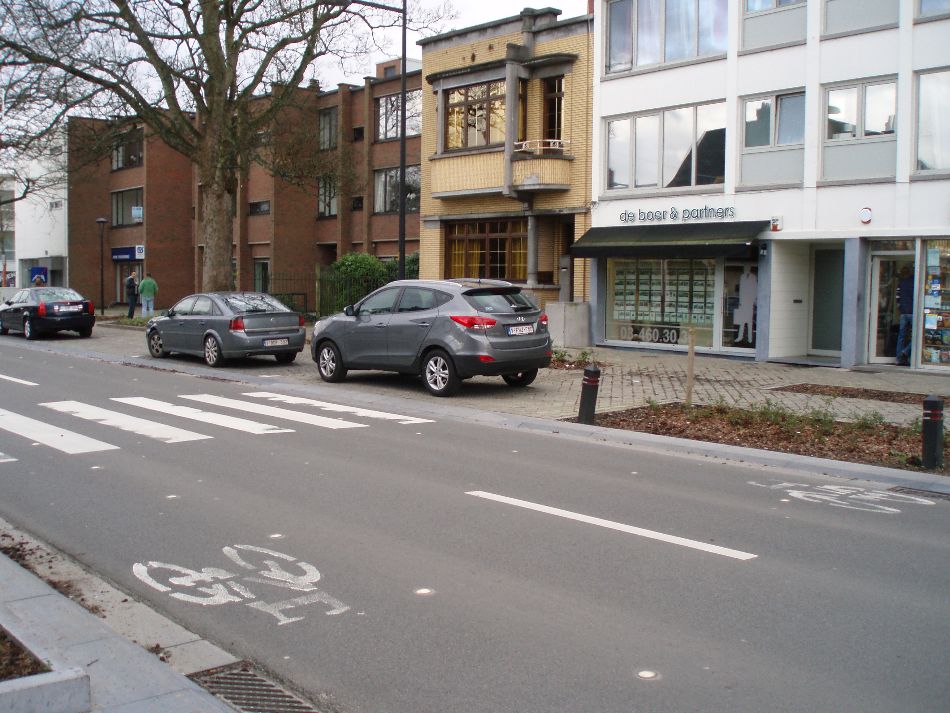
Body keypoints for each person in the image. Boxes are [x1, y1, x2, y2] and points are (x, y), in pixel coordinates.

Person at [895, 266, 914, 366]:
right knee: (917, 335)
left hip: (903, 313)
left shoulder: (901, 283)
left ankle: (899, 359)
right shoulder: (915, 282)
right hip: (913, 312)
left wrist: (901, 308)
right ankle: (905, 352)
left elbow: (897, 298)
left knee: (901, 336)